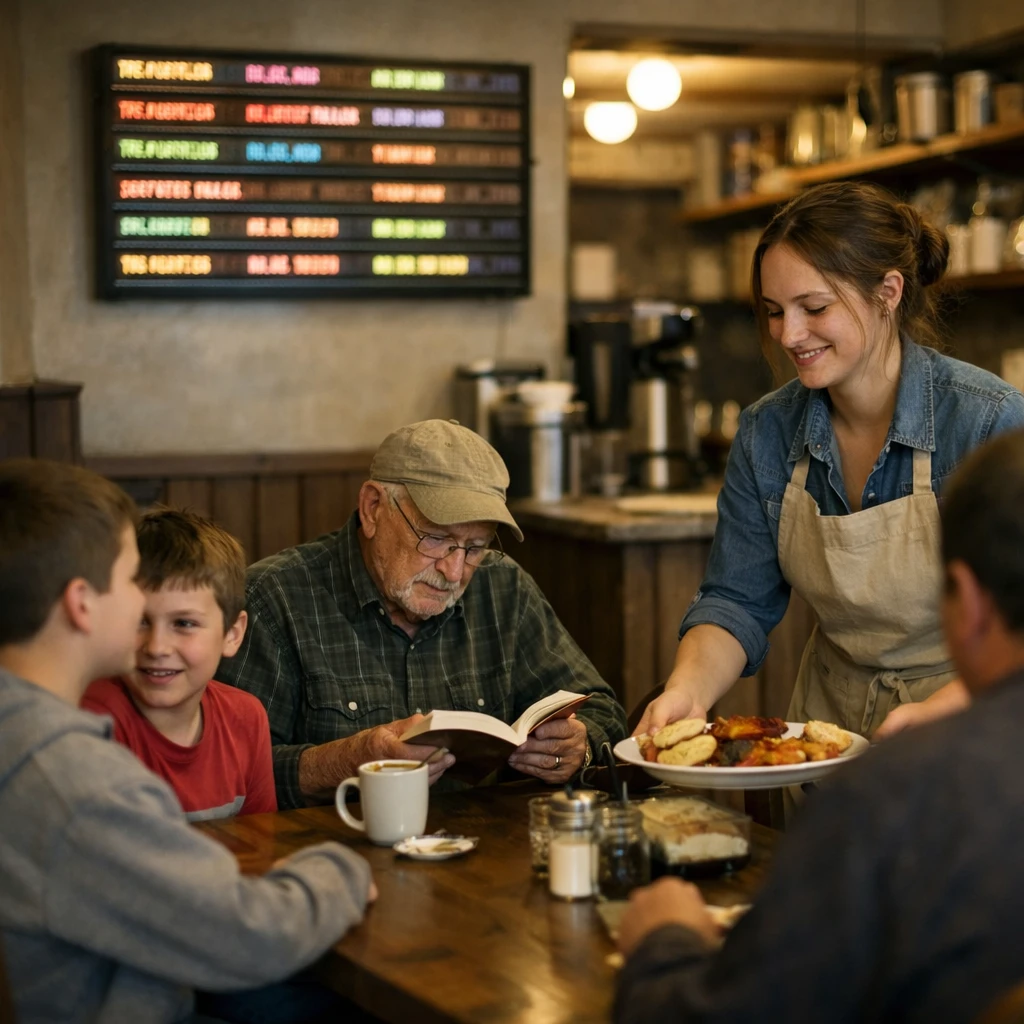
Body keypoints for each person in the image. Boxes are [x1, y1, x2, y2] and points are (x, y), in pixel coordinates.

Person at [615, 427, 1024, 1023]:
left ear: (967, 601)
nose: (789, 334)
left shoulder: (892, 802)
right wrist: (689, 687)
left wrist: (663, 943)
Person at [637, 181, 1024, 743]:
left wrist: (940, 712)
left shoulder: (989, 422)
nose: (790, 335)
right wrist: (688, 689)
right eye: (774, 312)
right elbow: (736, 599)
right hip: (829, 727)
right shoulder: (767, 431)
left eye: (814, 307)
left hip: (971, 723)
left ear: (887, 292)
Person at [0, 460, 374, 1024]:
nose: (148, 621)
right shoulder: (78, 782)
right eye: (130, 580)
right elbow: (248, 937)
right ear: (82, 603)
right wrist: (344, 870)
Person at [218, 419, 627, 809]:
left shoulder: (503, 588)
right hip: (337, 859)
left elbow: (603, 710)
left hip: (486, 856)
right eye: (436, 538)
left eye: (475, 547)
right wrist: (347, 760)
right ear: (373, 507)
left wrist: (578, 745)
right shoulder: (275, 598)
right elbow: (229, 773)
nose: (454, 570)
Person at [82, 507, 277, 821]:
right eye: (139, 621)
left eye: (184, 623)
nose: (157, 647)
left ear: (232, 634)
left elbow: (262, 844)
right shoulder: (94, 719)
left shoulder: (247, 719)